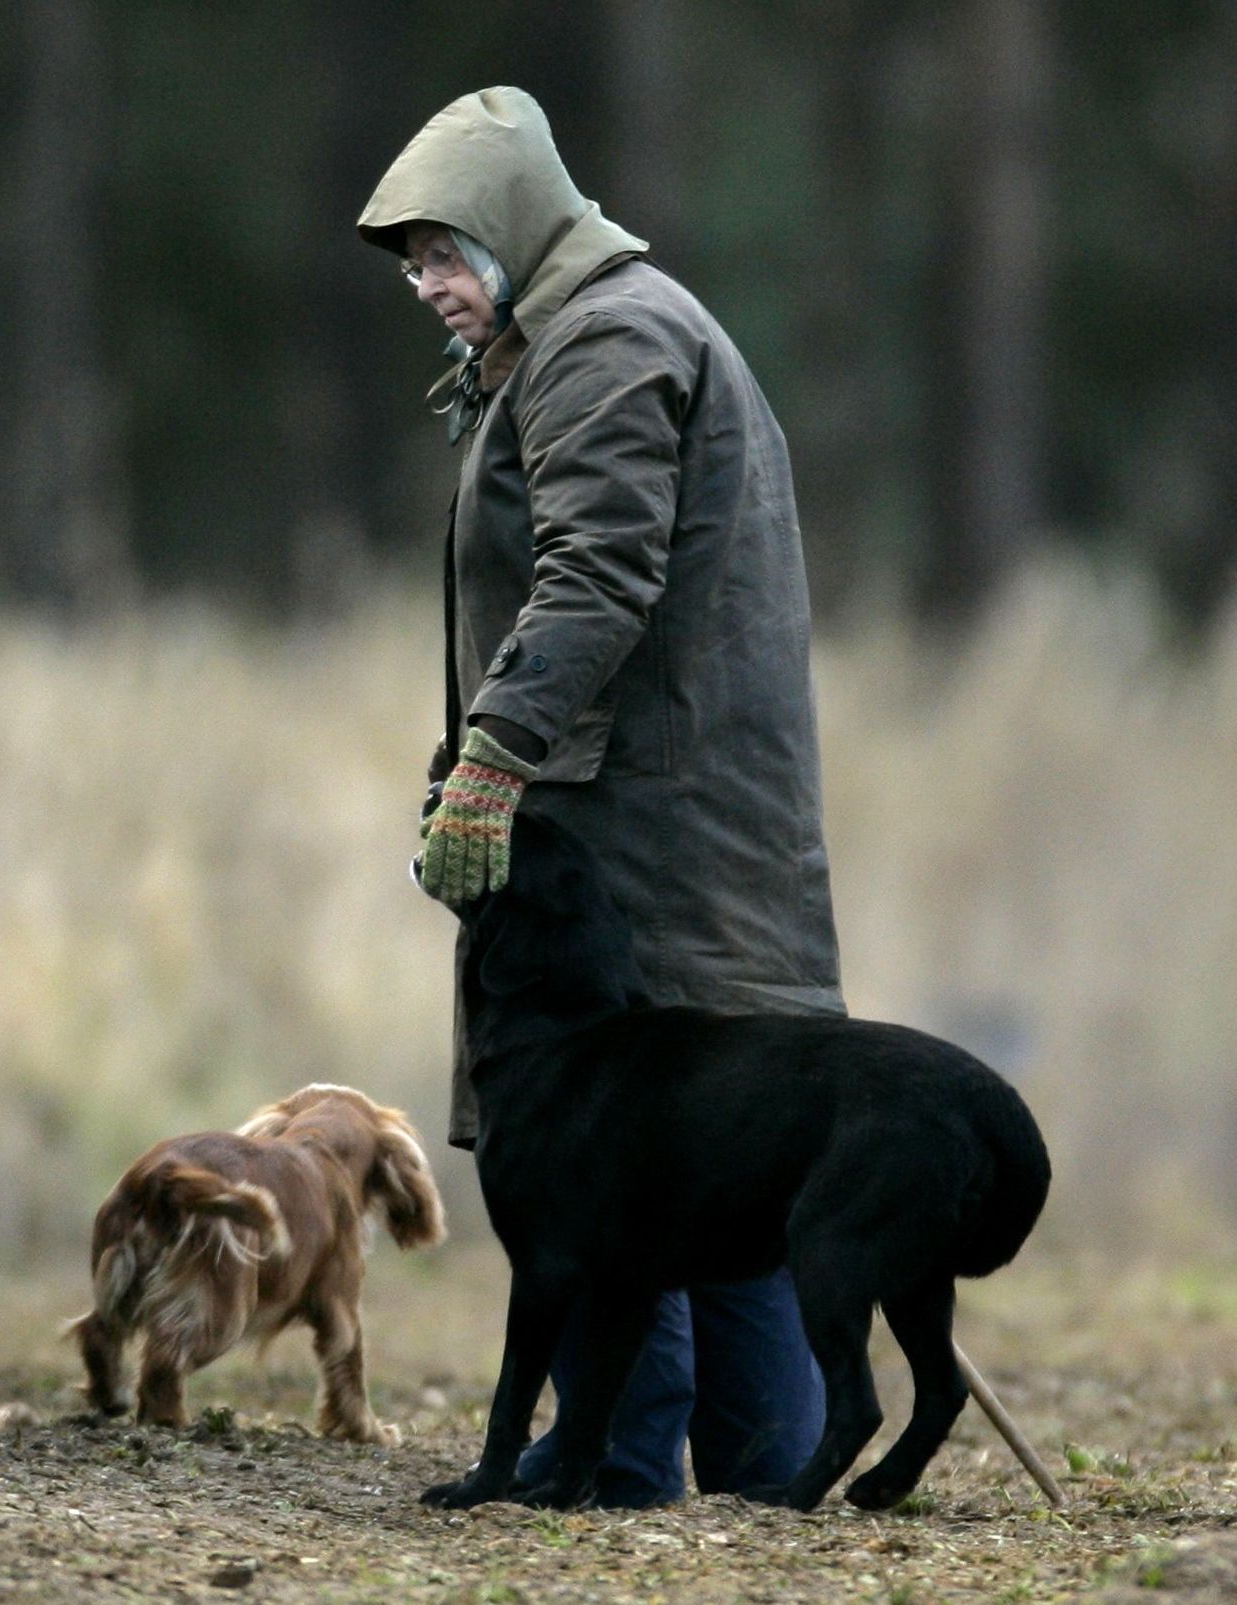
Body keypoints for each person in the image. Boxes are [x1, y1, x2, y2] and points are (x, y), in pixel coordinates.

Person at [358, 86, 845, 1508]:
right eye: (412, 264)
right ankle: (745, 1475)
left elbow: (596, 576)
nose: (429, 285)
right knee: (712, 1152)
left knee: (612, 1152)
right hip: (660, 819)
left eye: (446, 250)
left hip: (647, 836)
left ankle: (622, 1467)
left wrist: (490, 759)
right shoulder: (577, 336)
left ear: (515, 229)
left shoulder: (606, 339)